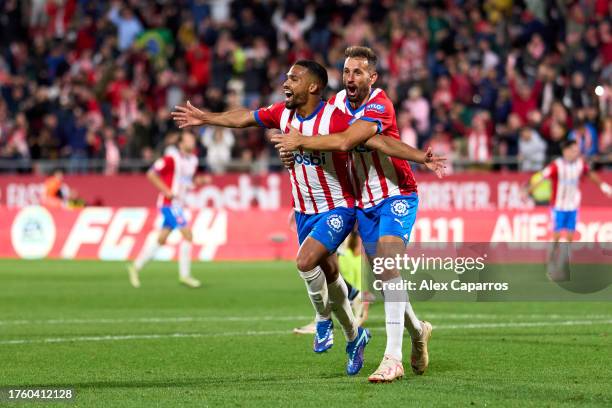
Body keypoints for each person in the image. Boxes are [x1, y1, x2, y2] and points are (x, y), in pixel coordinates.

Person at [172, 59, 442, 377]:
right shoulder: (283, 113)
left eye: (293, 78)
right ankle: (370, 334)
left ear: (312, 86)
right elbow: (246, 117)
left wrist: (418, 156)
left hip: (342, 206)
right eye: (287, 77)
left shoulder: (336, 117)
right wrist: (206, 117)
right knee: (340, 273)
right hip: (306, 210)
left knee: (321, 262)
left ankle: (357, 338)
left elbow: (371, 140)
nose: (286, 82)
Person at [271, 46, 444, 383]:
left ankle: (391, 359)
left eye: (358, 72)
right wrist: (295, 159)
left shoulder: (380, 103)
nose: (351, 78)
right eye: (347, 71)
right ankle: (418, 329)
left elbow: (349, 141)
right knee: (383, 277)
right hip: (363, 201)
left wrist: (418, 159)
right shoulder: (334, 106)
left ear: (372, 77)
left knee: (387, 266)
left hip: (396, 194)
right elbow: (330, 145)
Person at [128, 131, 207, 289]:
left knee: (162, 239)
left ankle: (135, 267)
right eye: (188, 139)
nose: (192, 142)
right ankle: (185, 276)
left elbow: (186, 181)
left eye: (193, 139)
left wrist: (199, 181)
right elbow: (151, 173)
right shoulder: (172, 158)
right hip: (169, 204)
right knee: (188, 234)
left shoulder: (193, 160)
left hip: (179, 204)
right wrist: (166, 191)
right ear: (180, 143)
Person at [527, 140, 612, 245]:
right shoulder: (557, 165)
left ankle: (565, 259)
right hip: (558, 205)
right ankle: (552, 259)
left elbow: (590, 174)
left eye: (577, 151)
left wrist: (603, 186)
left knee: (570, 236)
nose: (576, 153)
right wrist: (529, 190)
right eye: (573, 150)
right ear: (565, 151)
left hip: (573, 205)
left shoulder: (580, 164)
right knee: (556, 236)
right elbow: (542, 177)